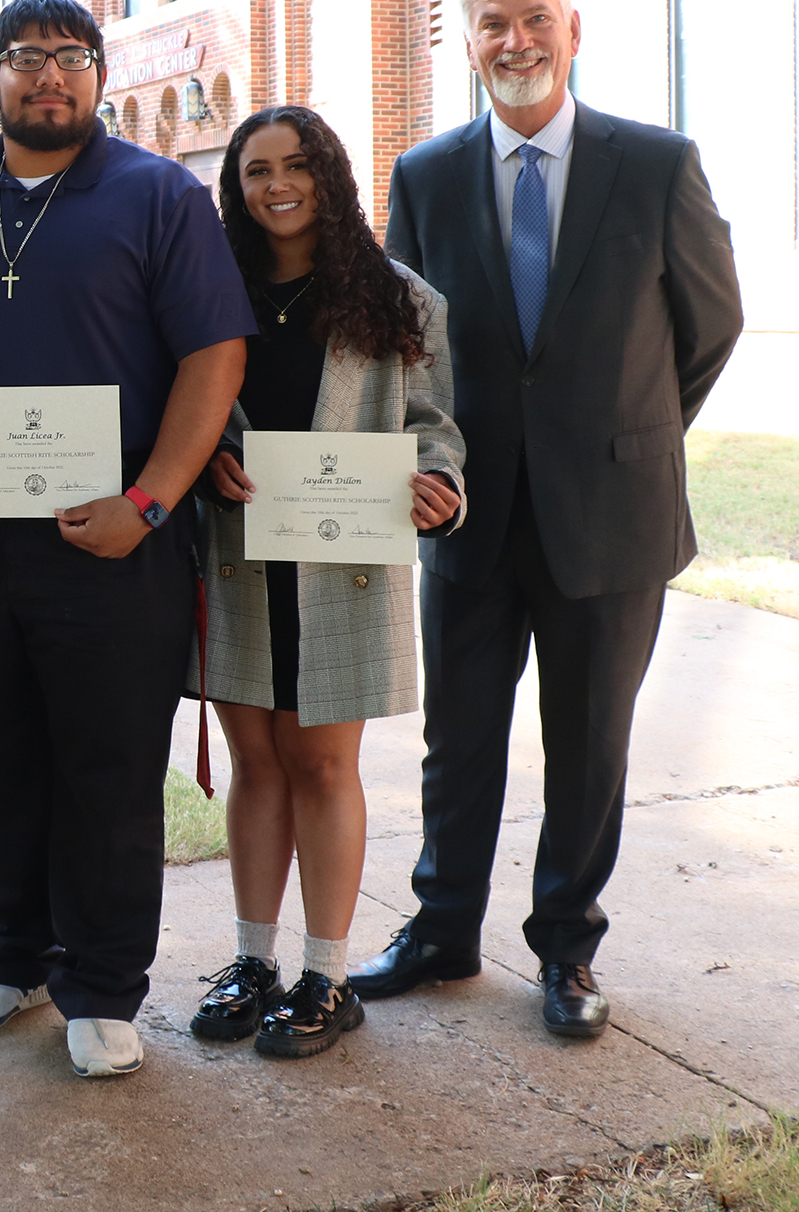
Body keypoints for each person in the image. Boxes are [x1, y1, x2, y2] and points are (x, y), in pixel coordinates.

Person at [353, 0, 744, 1036]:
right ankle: (440, 933)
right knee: (459, 739)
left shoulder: (658, 165)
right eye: (492, 25)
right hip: (465, 517)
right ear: (466, 42)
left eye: (534, 19)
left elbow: (711, 328)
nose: (515, 42)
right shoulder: (423, 176)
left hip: (611, 521)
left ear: (573, 28)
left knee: (587, 746)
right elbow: (396, 351)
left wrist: (628, 438)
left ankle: (567, 952)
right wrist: (420, 466)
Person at [0, 0, 256, 1079]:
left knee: (105, 764)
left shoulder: (159, 195)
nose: (46, 75)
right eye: (24, 57)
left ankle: (101, 983)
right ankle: (12, 953)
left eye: (69, 57)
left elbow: (214, 357)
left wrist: (148, 502)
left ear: (99, 77)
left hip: (112, 532)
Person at [188, 106, 465, 1059]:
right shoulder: (209, 288)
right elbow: (187, 400)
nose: (277, 184)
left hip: (342, 563)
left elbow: (435, 428)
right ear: (236, 183)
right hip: (237, 548)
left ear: (330, 176)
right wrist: (210, 454)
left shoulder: (399, 299)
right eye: (257, 168)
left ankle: (328, 975)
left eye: (297, 165)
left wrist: (439, 487)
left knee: (321, 765)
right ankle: (252, 962)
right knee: (256, 763)